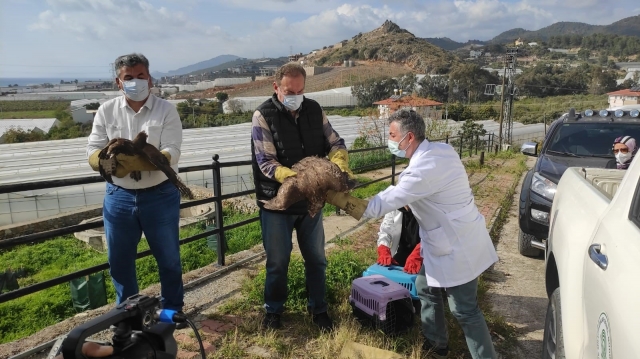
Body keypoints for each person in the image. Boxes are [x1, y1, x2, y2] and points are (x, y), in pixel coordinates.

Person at [327, 110, 498, 359]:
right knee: (424, 286)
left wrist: (332, 197)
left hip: (458, 247)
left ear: (408, 137)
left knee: (464, 310)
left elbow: (376, 206)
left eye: (392, 134)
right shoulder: (441, 151)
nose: (389, 139)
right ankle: (436, 344)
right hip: (450, 236)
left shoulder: (421, 171)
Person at [251, 63, 354, 331]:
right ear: (276, 87)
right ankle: (273, 311)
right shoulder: (263, 115)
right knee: (277, 262)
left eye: (300, 90)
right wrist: (289, 176)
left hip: (311, 202)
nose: (295, 96)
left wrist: (339, 161)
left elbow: (335, 142)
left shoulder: (314, 110)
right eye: (289, 91)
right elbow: (265, 161)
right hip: (277, 203)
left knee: (317, 258)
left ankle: (318, 309)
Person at [86, 53, 186, 326]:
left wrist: (137, 161)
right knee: (119, 262)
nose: (135, 82)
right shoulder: (107, 111)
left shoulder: (166, 110)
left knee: (168, 259)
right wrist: (101, 161)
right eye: (128, 77)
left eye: (140, 76)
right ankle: (128, 315)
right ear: (119, 82)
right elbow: (93, 149)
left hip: (160, 194)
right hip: (119, 197)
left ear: (150, 79)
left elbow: (172, 151)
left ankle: (171, 312)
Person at [376, 206, 423, 274]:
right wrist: (383, 248)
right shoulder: (396, 206)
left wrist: (418, 254)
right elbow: (385, 230)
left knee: (419, 281)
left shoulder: (428, 208)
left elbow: (433, 236)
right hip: (403, 250)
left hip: (426, 253)